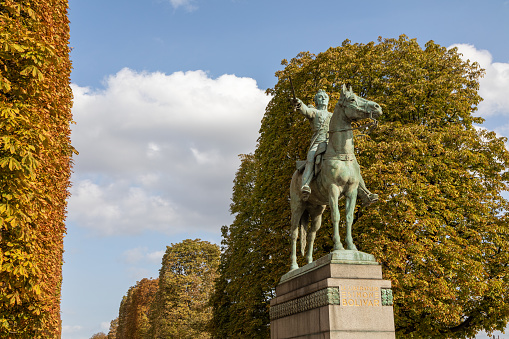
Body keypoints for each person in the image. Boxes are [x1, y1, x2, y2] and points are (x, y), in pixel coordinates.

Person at [292, 89, 378, 206]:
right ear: (316, 100)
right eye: (320, 97)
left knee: (353, 162)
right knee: (311, 158)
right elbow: (305, 110)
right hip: (318, 142)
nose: (323, 99)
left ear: (328, 100)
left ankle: (364, 192)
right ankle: (305, 185)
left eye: (325, 97)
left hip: (334, 143)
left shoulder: (334, 115)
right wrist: (299, 103)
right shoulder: (314, 112)